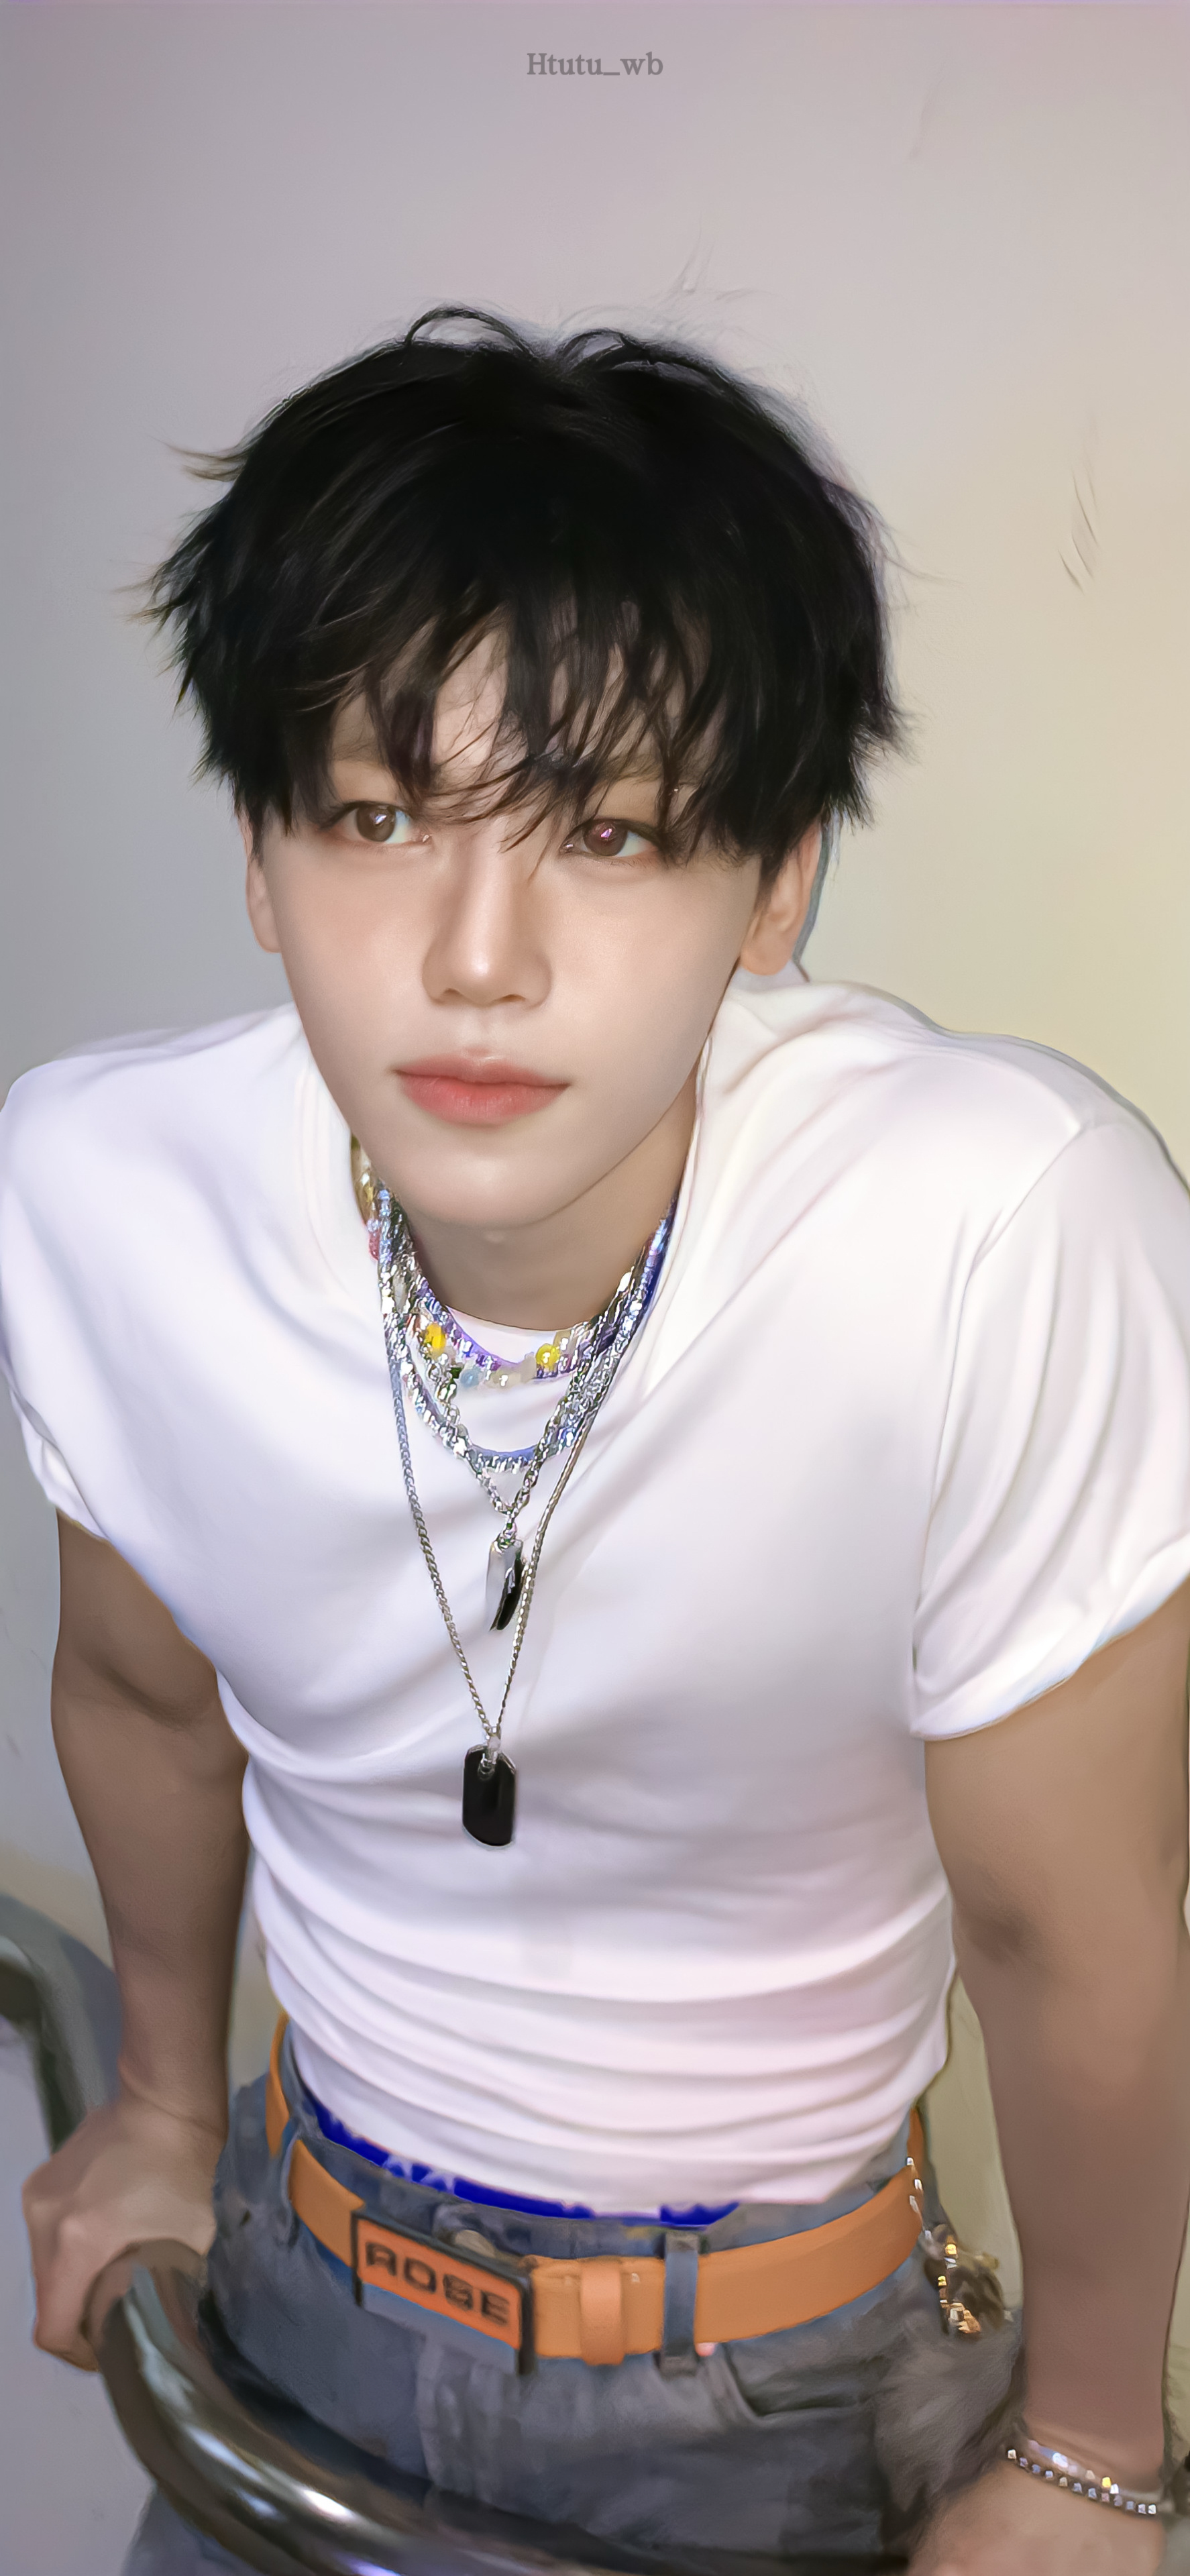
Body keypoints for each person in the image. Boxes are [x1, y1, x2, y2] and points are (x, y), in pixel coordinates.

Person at [3, 310, 1189, 2576]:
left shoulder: (994, 1233)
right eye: (377, 817)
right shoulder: (102, 1191)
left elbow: (1077, 1928)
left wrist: (1090, 2451)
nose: (478, 958)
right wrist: (155, 2105)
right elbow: (144, 1701)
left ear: (777, 882)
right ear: (260, 853)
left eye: (613, 835)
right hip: (291, 2274)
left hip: (775, 2388)